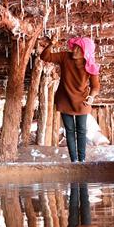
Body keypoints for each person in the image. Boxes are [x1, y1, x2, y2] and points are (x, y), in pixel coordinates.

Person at [40, 35, 101, 163]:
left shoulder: (90, 65)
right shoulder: (65, 56)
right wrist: (51, 44)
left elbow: (95, 86)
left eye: (79, 49)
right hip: (65, 99)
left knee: (82, 131)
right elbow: (45, 56)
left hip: (82, 101)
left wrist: (91, 97)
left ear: (85, 52)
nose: (74, 50)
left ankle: (82, 160)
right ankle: (74, 161)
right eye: (74, 47)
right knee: (69, 131)